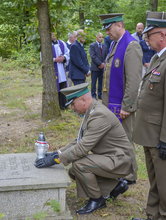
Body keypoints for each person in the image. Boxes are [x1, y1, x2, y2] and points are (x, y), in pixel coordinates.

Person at [35, 83, 137, 215]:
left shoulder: (99, 115)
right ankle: (114, 186)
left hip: (120, 160)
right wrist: (58, 152)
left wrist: (57, 159)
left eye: (73, 104)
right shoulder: (93, 111)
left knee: (80, 165)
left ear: (83, 100)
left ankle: (97, 200)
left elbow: (82, 147)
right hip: (111, 156)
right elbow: (80, 140)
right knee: (74, 171)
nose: (72, 108)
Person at [132, 11, 166, 220]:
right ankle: (152, 216)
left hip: (162, 136)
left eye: (150, 34)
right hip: (151, 133)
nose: (146, 38)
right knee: (156, 181)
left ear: (162, 35)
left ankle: (165, 217)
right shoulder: (159, 58)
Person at [98, 13, 142, 185]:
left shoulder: (131, 45)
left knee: (125, 139)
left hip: (122, 106)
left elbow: (133, 79)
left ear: (119, 25)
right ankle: (120, 170)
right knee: (116, 139)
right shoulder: (115, 44)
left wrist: (127, 105)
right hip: (111, 104)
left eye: (109, 29)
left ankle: (130, 174)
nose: (107, 32)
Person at [51, 32, 70, 109]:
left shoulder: (61, 43)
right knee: (56, 86)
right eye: (52, 34)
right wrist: (55, 59)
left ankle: (63, 104)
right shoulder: (47, 45)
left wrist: (64, 57)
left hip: (61, 68)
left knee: (62, 86)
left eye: (55, 34)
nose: (53, 36)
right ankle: (57, 105)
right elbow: (43, 57)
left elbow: (68, 52)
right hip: (53, 69)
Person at [89, 33, 108, 100]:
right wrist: (100, 64)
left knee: (101, 82)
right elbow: (93, 56)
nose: (101, 38)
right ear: (96, 38)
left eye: (102, 37)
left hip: (102, 68)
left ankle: (100, 94)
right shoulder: (92, 46)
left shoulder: (104, 46)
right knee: (94, 82)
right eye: (100, 37)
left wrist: (103, 64)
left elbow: (106, 56)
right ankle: (93, 95)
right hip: (95, 67)